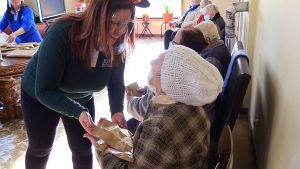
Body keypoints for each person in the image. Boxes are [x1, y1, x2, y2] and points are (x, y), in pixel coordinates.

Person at [20, 0, 150, 168]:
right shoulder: (62, 33)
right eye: (114, 22)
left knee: (83, 148)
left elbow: (115, 81)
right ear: (97, 16)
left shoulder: (119, 41)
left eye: (126, 24)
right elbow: (44, 90)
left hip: (81, 97)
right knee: (41, 147)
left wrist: (117, 110)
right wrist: (77, 111)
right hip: (41, 96)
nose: (120, 31)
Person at [85, 45, 223, 169]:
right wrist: (126, 137)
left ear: (166, 80)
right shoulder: (195, 107)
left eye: (158, 60)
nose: (152, 62)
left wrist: (101, 147)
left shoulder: (159, 127)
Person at [126, 26, 209, 133]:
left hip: (170, 131)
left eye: (173, 43)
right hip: (188, 130)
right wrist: (148, 89)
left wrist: (130, 101)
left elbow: (146, 110)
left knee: (129, 124)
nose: (170, 45)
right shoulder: (198, 70)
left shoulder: (172, 77)